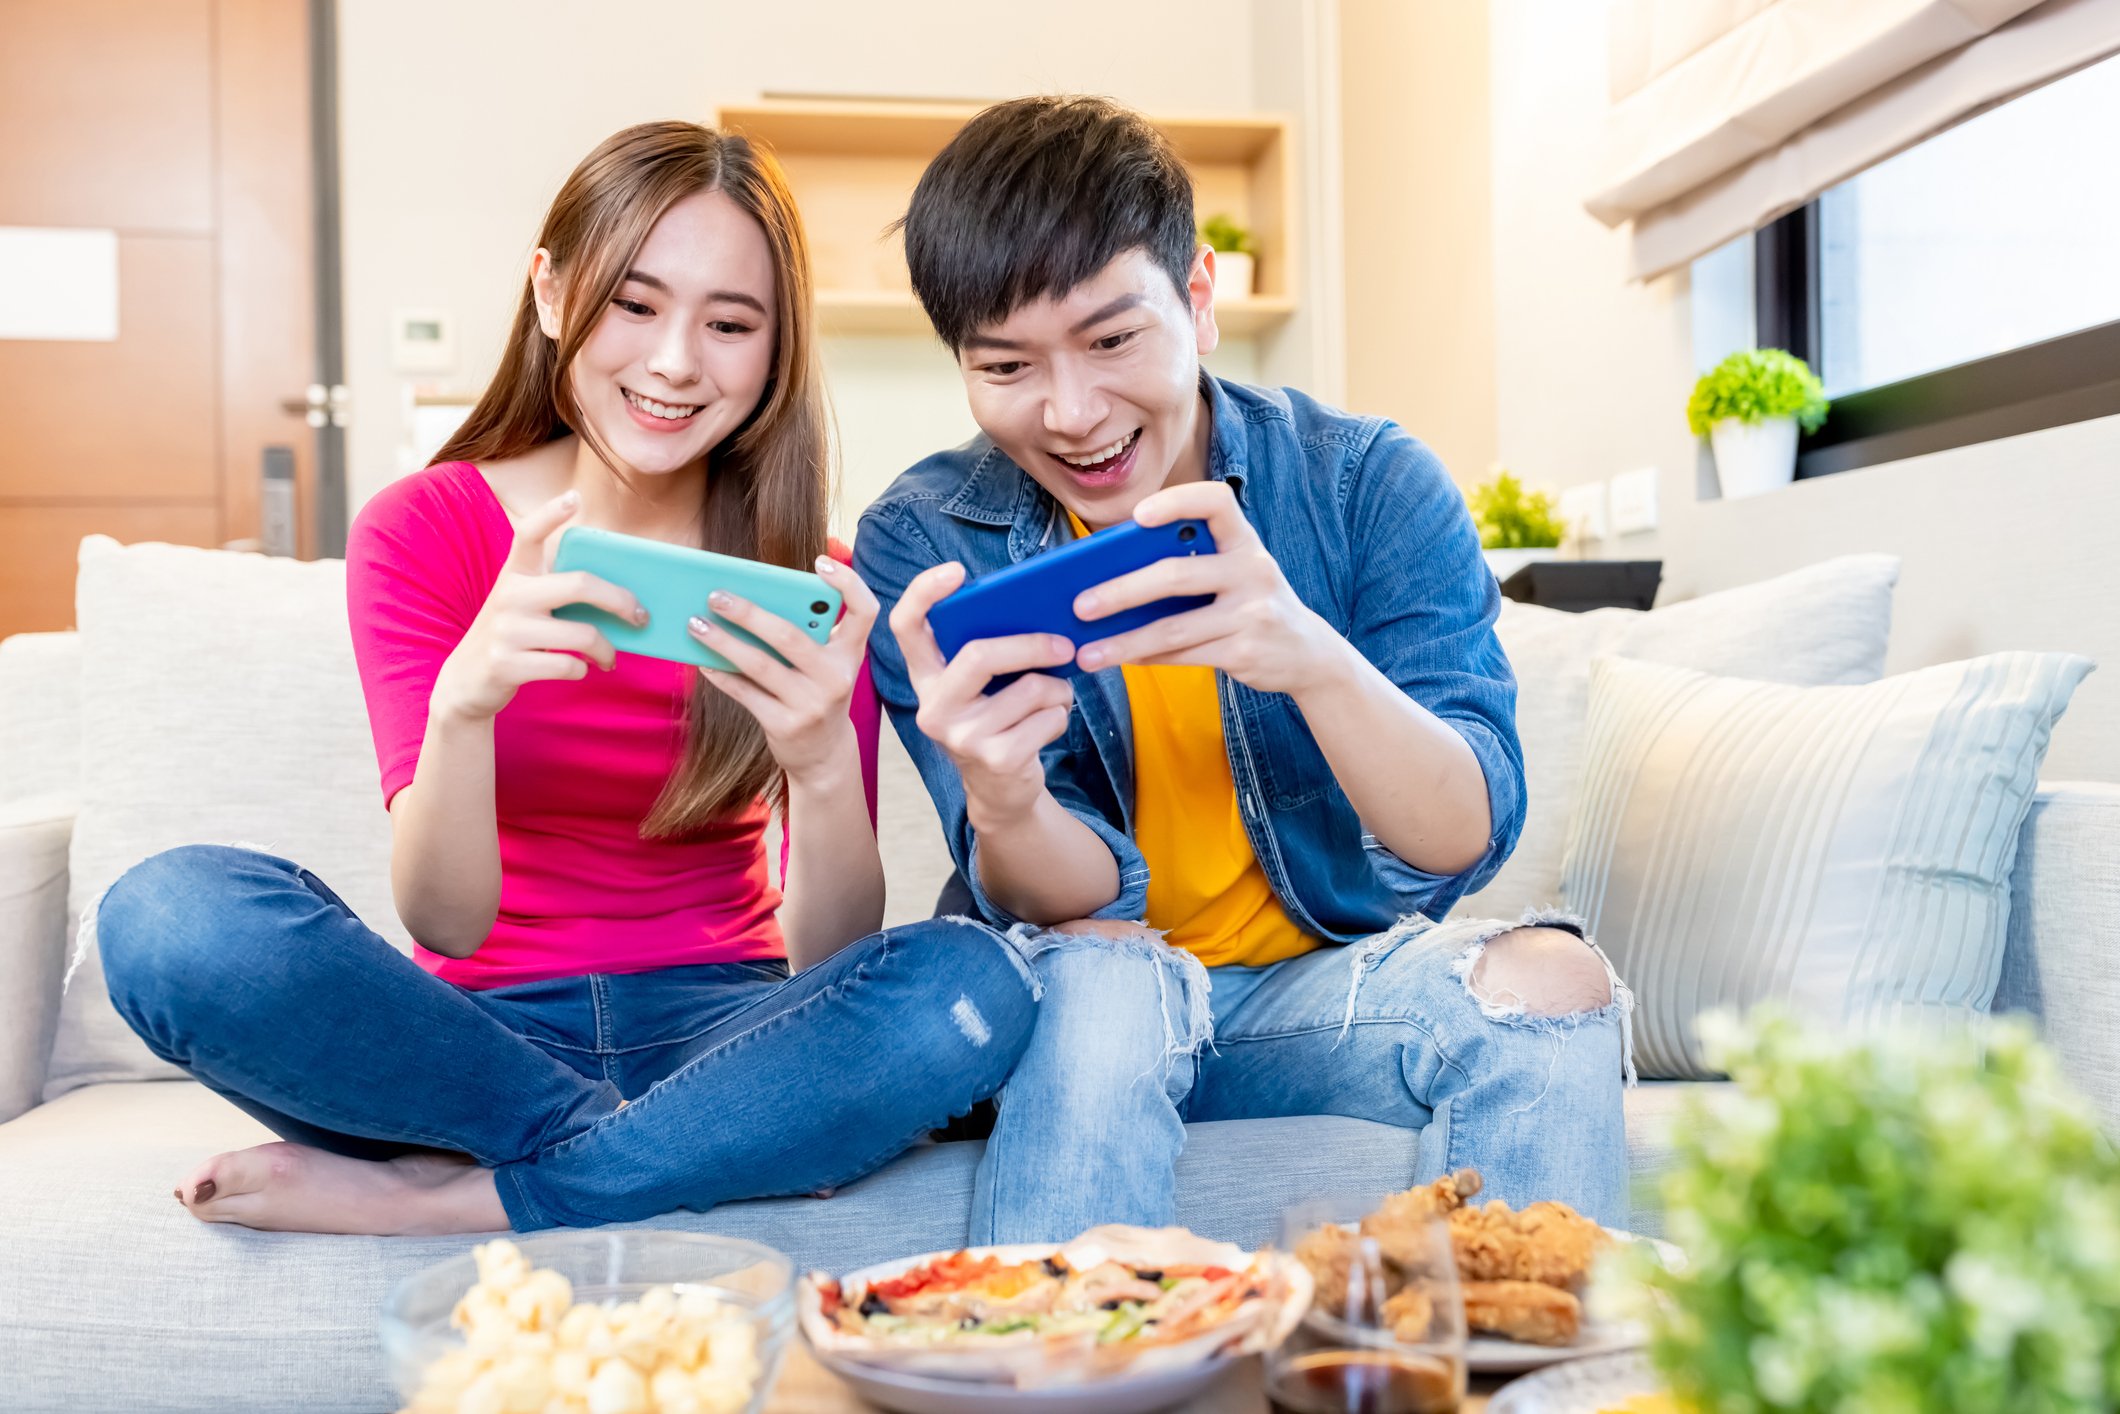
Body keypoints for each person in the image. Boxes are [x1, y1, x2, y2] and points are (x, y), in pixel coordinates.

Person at [95, 121, 1035, 1236]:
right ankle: (685, 1151)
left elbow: (830, 964)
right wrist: (464, 707)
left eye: (729, 324)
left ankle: (465, 1197)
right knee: (170, 915)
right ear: (549, 291)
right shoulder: (426, 530)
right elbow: (445, 918)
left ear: (774, 353)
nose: (676, 361)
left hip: (726, 1031)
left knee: (975, 983)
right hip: (474, 1050)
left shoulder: (810, 582)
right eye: (635, 305)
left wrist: (823, 760)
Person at [855, 96, 1633, 1246]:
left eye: (1113, 340)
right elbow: (1048, 906)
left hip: (1316, 997)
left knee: (1554, 986)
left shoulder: (1365, 482)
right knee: (1105, 979)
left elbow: (1462, 833)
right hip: (1086, 999)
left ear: (1200, 299)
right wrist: (1006, 796)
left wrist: (1307, 658)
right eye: (1007, 365)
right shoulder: (925, 540)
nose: (1072, 413)